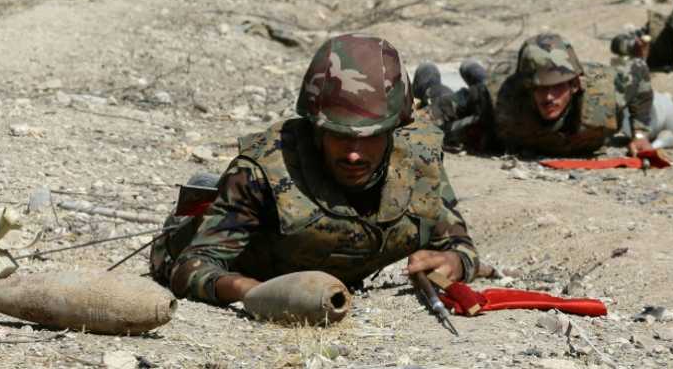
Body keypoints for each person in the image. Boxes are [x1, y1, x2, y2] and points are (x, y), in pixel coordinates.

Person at [150, 34, 480, 306]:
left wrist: (454, 263)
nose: (354, 154)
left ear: (396, 128)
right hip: (233, 259)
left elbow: (460, 246)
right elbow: (190, 266)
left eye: (371, 137)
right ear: (315, 129)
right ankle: (209, 194)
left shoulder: (418, 161)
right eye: (339, 136)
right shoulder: (265, 171)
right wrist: (253, 292)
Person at [414, 33, 673, 158]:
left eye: (557, 87)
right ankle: (430, 80)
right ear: (527, 88)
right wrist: (416, 125)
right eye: (541, 89)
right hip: (495, 119)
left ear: (575, 85)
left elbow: (640, 71)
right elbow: (451, 106)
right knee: (456, 123)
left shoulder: (605, 88)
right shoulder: (502, 95)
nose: (549, 97)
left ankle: (473, 70)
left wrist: (640, 134)